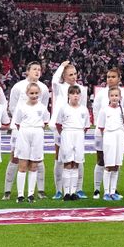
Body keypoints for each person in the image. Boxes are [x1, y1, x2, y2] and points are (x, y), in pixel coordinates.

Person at [4, 62, 48, 200]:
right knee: (15, 158)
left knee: (37, 160)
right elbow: (12, 107)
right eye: (34, 69)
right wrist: (22, 122)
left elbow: (44, 109)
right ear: (27, 71)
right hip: (21, 127)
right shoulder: (18, 87)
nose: (37, 71)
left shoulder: (44, 88)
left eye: (39, 69)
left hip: (35, 128)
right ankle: (8, 190)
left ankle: (39, 190)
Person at [92, 68, 124, 199]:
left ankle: (114, 190)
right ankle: (97, 189)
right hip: (104, 131)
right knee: (101, 160)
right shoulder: (101, 94)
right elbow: (96, 110)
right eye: (108, 76)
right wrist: (101, 129)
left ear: (119, 78)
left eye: (113, 76)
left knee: (116, 162)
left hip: (117, 133)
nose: (110, 79)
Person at [49, 60, 85, 200]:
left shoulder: (81, 89)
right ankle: (60, 189)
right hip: (59, 127)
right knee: (60, 158)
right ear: (63, 76)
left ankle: (77, 189)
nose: (74, 77)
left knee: (77, 158)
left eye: (75, 74)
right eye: (70, 74)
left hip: (75, 128)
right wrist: (62, 66)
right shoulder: (59, 86)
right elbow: (54, 78)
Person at [55, 85, 90, 200]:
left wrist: (79, 134)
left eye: (77, 93)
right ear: (68, 95)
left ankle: (73, 191)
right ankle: (66, 193)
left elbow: (86, 126)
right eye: (73, 93)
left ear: (80, 95)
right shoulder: (64, 108)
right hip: (67, 134)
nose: (75, 95)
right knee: (67, 162)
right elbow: (59, 124)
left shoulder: (84, 109)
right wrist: (65, 135)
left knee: (76, 163)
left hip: (79, 134)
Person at [99, 86, 124, 200]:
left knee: (116, 165)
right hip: (109, 137)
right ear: (108, 97)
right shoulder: (104, 110)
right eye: (112, 95)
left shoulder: (123, 110)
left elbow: (123, 125)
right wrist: (106, 139)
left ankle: (113, 191)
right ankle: (106, 192)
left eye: (116, 95)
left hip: (119, 137)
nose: (114, 98)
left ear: (120, 97)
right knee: (109, 165)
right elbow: (101, 127)